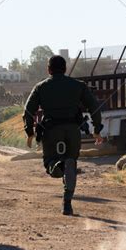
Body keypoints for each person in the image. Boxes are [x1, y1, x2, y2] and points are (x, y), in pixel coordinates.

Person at [23, 55, 102, 216]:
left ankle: (58, 165)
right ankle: (67, 203)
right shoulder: (78, 85)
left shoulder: (40, 87)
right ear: (65, 69)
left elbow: (28, 110)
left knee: (50, 164)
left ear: (49, 69)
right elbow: (94, 106)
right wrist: (97, 130)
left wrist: (30, 133)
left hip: (51, 131)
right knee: (71, 163)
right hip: (73, 131)